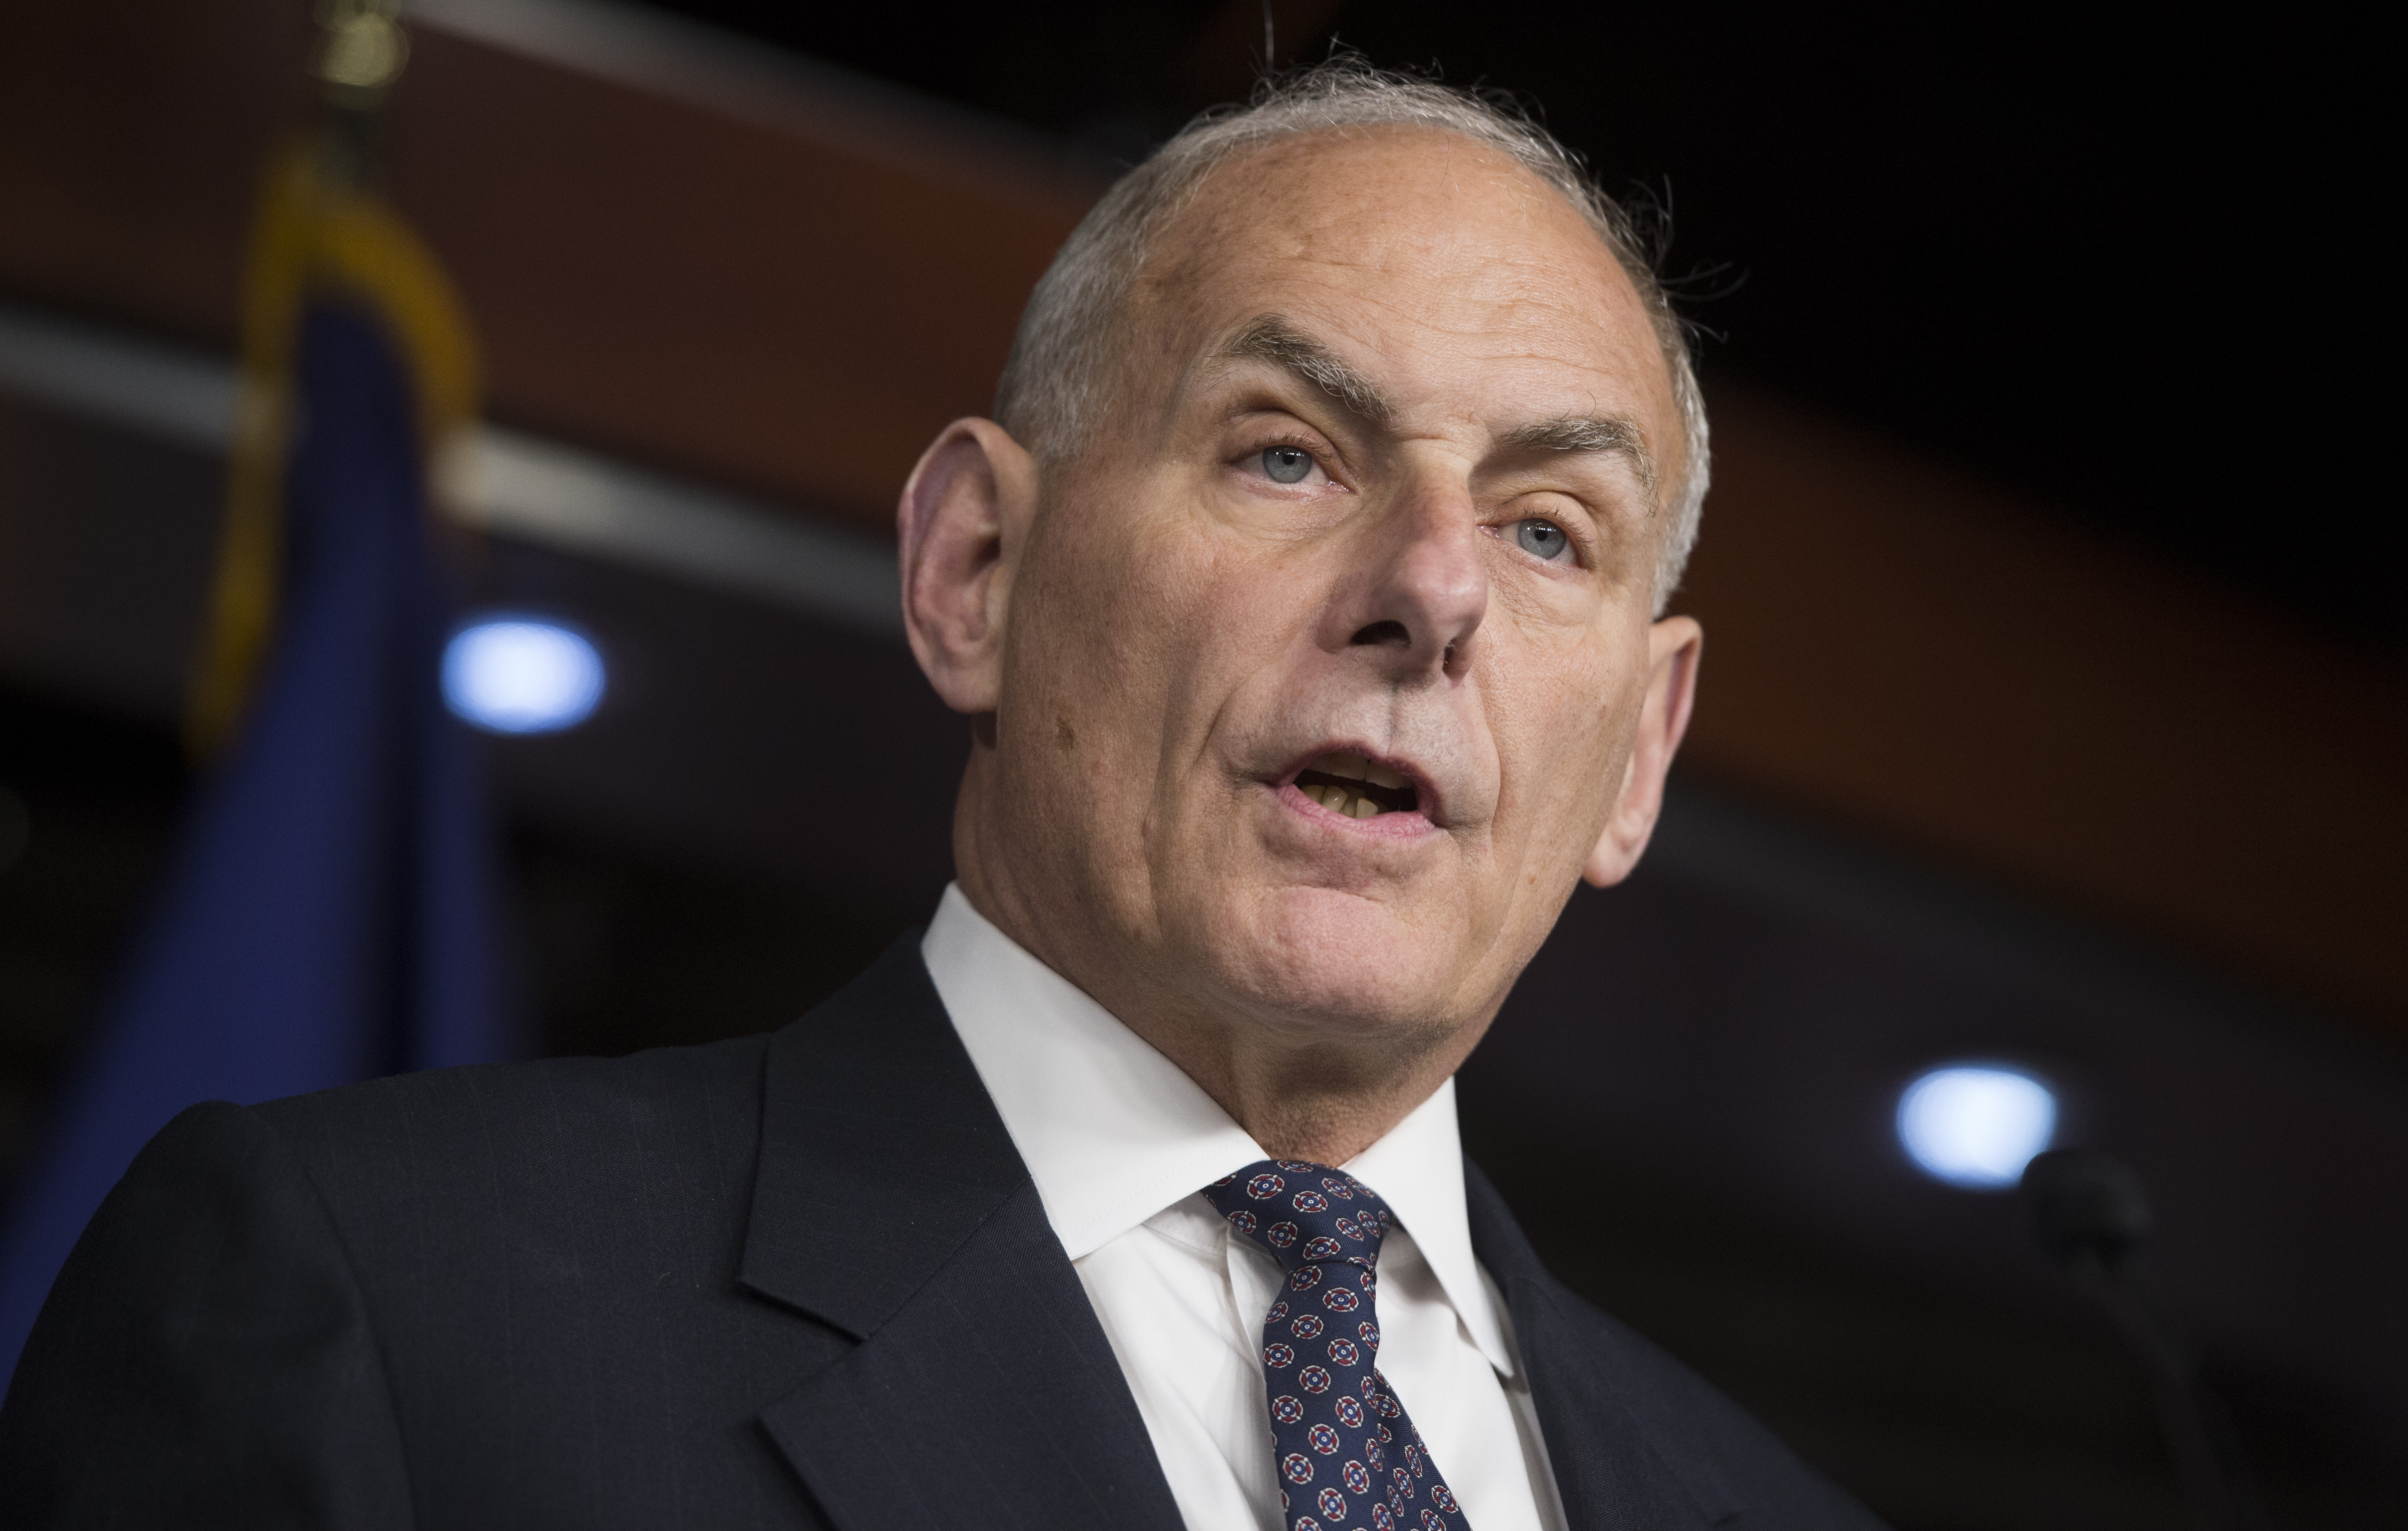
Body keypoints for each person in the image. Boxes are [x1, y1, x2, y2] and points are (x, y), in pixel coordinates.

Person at [0, 62, 1880, 1531]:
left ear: (1640, 753)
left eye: (1551, 530)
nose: (1439, 587)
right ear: (975, 567)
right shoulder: (385, 1305)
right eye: (1290, 455)